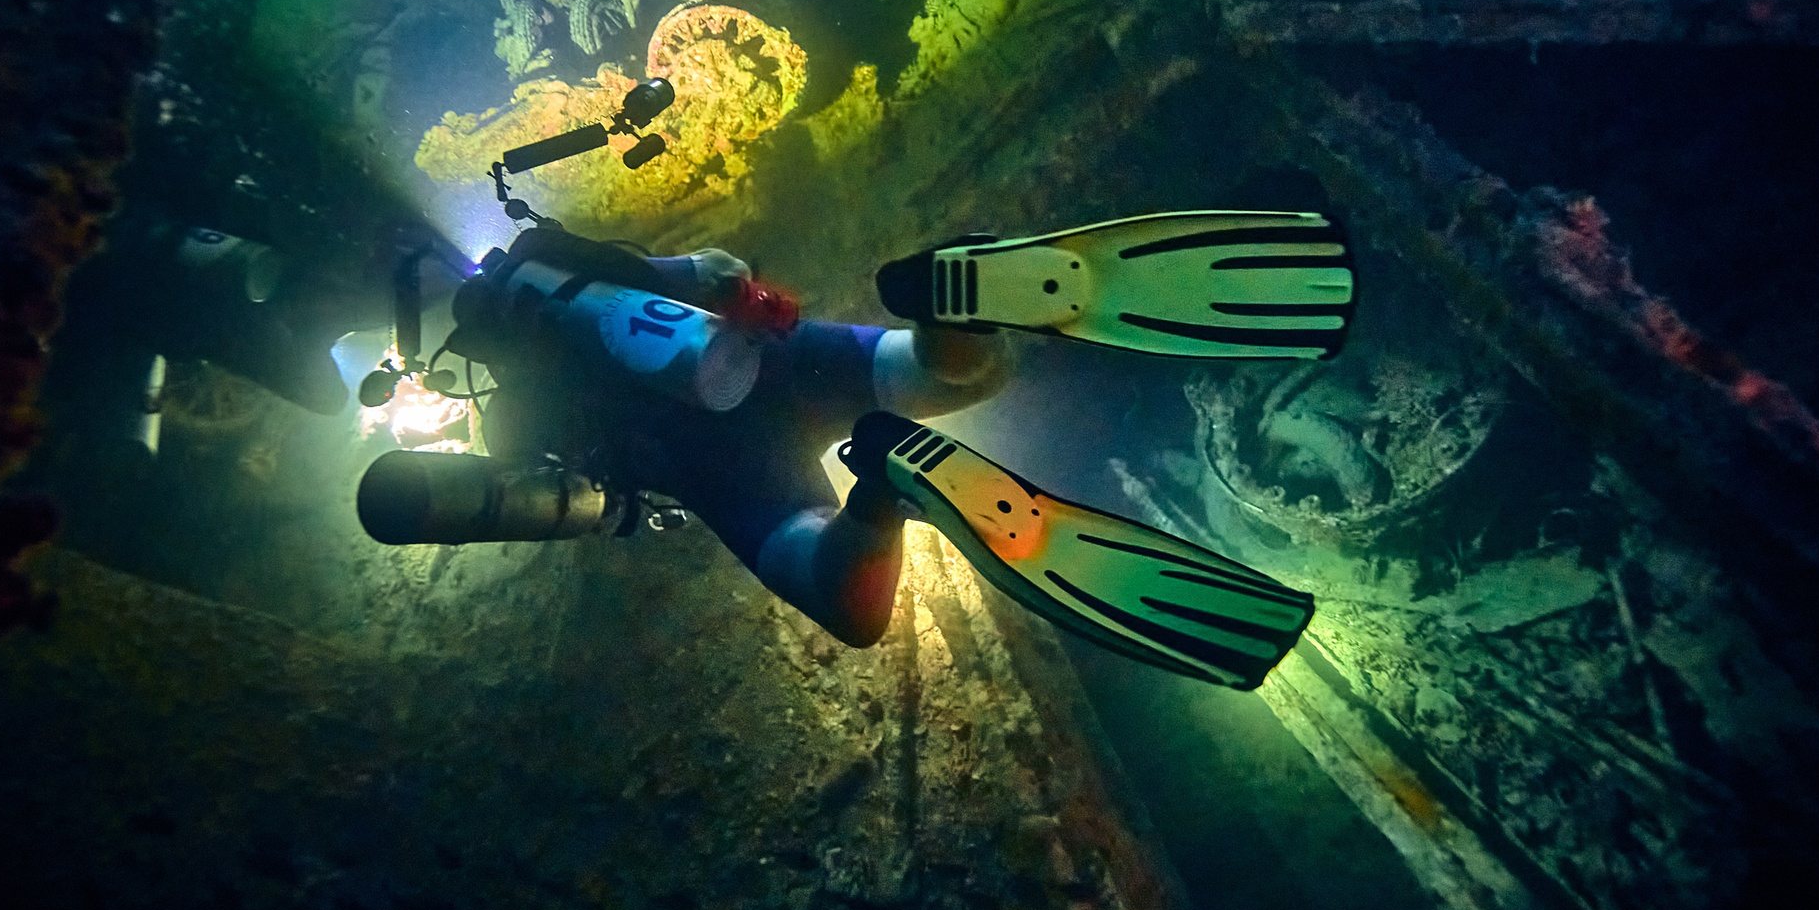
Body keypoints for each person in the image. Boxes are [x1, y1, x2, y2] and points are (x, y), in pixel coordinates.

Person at [363, 208, 1358, 692]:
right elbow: (712, 272)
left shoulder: (506, 424)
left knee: (850, 604)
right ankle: (947, 308)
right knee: (957, 378)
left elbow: (595, 507)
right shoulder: (547, 260)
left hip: (715, 471)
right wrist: (752, 303)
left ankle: (883, 492)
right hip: (780, 359)